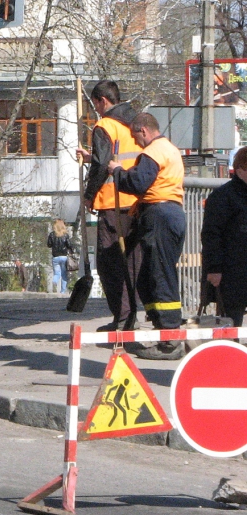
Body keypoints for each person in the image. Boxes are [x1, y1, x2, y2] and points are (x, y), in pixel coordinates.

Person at [108, 112, 186, 359]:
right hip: (165, 213)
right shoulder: (169, 149)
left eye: (135, 136)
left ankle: (170, 339)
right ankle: (161, 327)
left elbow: (138, 183)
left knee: (160, 275)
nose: (136, 142)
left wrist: (118, 171)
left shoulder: (154, 152)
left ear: (143, 130)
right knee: (147, 275)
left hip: (160, 214)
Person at [76, 80, 142, 331]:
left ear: (103, 100)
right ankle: (131, 315)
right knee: (132, 261)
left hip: (113, 203)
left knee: (109, 263)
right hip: (135, 200)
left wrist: (89, 195)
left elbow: (102, 164)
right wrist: (89, 157)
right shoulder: (136, 123)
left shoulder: (104, 125)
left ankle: (122, 317)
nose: (96, 110)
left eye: (96, 104)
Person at [201, 146, 247, 326]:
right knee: (231, 319)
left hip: (238, 269)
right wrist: (214, 269)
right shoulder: (223, 197)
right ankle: (229, 352)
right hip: (231, 271)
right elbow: (212, 235)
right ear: (240, 169)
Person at [47, 219, 72, 294]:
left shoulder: (52, 234)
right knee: (64, 274)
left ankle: (55, 281)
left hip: (55, 257)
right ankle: (62, 291)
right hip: (64, 257)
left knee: (57, 273)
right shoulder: (65, 235)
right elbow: (69, 245)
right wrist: (71, 251)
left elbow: (49, 245)